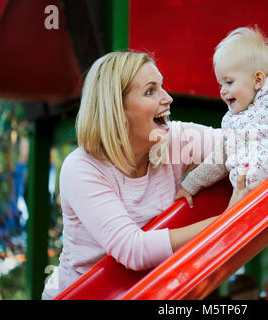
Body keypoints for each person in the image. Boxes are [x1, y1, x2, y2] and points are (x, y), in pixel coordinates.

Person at [41, 51, 227, 299]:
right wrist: (223, 222)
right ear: (117, 109)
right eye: (151, 91)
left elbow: (243, 145)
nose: (168, 98)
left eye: (162, 87)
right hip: (83, 294)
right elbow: (133, 250)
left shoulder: (172, 139)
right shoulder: (82, 167)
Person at [174, 27, 268, 208]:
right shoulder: (232, 119)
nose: (223, 90)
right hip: (244, 197)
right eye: (220, 84)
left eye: (229, 82)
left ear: (258, 79)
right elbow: (220, 158)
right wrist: (190, 185)